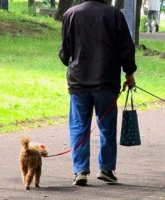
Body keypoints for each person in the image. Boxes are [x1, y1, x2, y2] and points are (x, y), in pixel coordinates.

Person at [59, 0, 137, 186]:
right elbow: (126, 47)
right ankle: (106, 169)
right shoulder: (114, 15)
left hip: (78, 81)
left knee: (79, 126)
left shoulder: (71, 14)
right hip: (106, 80)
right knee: (107, 126)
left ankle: (80, 171)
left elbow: (65, 52)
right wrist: (129, 72)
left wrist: (70, 63)